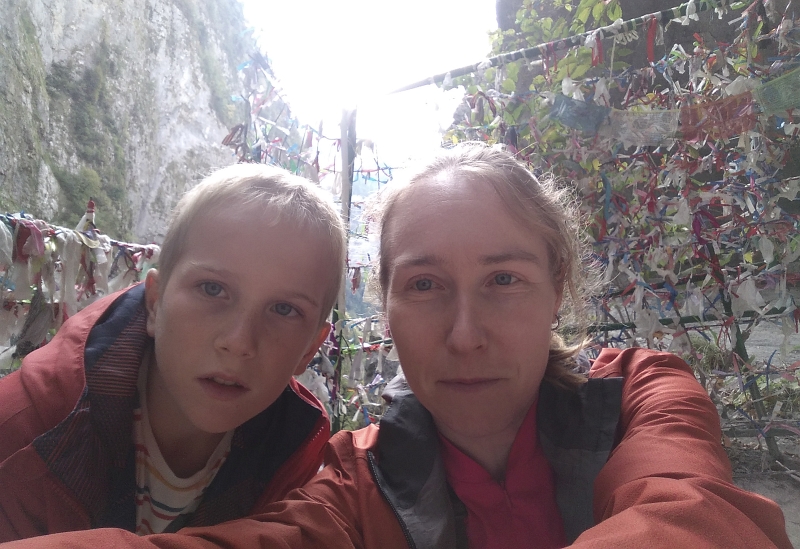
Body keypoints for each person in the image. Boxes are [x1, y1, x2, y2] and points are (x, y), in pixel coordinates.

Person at [1, 143, 792, 548]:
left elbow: (693, 513)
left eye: (504, 279)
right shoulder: (355, 479)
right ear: (385, 310)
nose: (464, 333)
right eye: (424, 284)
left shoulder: (641, 397)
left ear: (559, 286)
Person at [0, 163, 345, 541]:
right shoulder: (22, 434)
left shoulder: (292, 458)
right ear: (155, 302)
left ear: (309, 349)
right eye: (212, 289)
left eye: (284, 310)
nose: (239, 343)